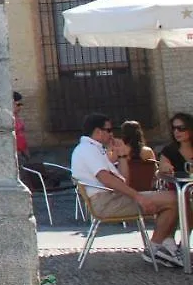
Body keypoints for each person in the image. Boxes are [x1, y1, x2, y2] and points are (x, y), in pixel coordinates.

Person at [71, 113, 180, 266]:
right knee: (174, 199)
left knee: (174, 198)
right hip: (106, 202)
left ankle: (164, 246)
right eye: (109, 130)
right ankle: (156, 248)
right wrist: (138, 197)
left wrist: (122, 156)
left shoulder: (95, 149)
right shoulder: (87, 150)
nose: (112, 135)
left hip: (112, 198)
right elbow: (107, 180)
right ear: (98, 132)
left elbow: (123, 181)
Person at [116, 120, 158, 191]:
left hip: (128, 191)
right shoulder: (148, 151)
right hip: (147, 189)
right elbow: (155, 171)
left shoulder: (120, 152)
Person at [158, 112, 193, 179]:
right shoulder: (169, 150)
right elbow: (162, 167)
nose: (176, 131)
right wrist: (165, 167)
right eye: (174, 128)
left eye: (181, 128)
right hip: (179, 188)